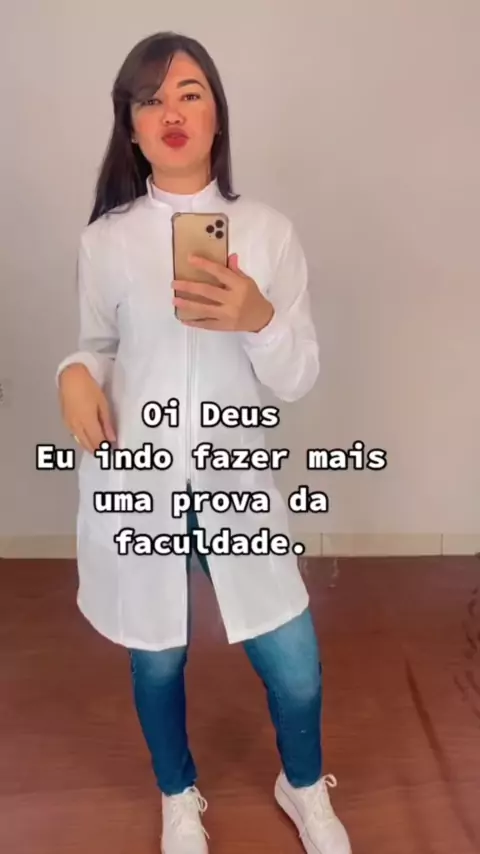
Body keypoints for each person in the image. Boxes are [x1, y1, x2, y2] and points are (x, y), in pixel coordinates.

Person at [56, 31, 352, 854]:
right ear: (131, 127)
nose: (171, 113)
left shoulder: (268, 231)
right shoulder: (106, 240)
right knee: (156, 656)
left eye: (189, 93)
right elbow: (96, 348)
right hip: (142, 480)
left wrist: (259, 318)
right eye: (150, 100)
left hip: (234, 479)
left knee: (293, 659)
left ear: (218, 113)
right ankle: (176, 794)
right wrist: (72, 374)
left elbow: (297, 376)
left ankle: (302, 786)